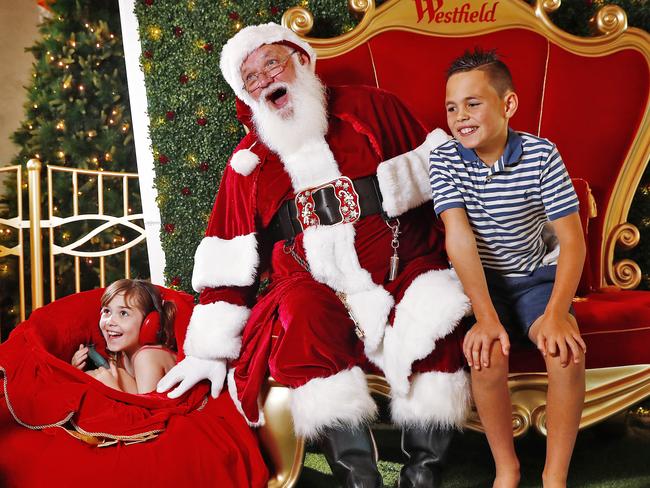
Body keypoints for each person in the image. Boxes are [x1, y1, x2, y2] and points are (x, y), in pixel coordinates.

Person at [157, 23, 471, 488]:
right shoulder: (249, 163)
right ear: (247, 97)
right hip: (310, 281)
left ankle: (422, 474)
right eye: (251, 78)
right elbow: (229, 255)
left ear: (300, 60)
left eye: (271, 63)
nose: (264, 79)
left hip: (403, 264)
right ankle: (359, 479)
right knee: (302, 320)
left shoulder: (371, 107)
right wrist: (209, 350)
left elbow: (448, 184)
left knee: (438, 308)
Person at [429, 49, 587, 488]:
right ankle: (507, 467)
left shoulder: (541, 155)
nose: (461, 116)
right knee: (486, 357)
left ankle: (555, 476)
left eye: (473, 103)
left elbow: (572, 241)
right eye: (452, 107)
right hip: (483, 283)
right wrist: (484, 315)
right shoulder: (444, 159)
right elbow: (458, 240)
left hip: (538, 278)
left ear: (508, 105)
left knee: (566, 353)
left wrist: (556, 313)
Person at [72, 279, 177, 394]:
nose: (110, 322)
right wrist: (76, 372)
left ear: (149, 322)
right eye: (106, 311)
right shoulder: (120, 356)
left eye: (123, 313)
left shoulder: (147, 356)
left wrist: (113, 389)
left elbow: (150, 411)